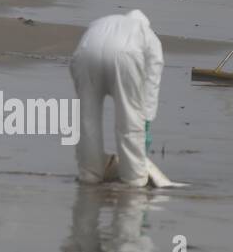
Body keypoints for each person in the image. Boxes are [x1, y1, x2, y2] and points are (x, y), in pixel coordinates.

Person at [69, 10, 164, 186]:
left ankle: (89, 174)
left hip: (87, 54)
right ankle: (134, 179)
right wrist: (147, 118)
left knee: (87, 120)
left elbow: (75, 58)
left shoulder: (100, 21)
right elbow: (152, 79)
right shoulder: (147, 33)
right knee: (129, 120)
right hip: (125, 56)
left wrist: (82, 92)